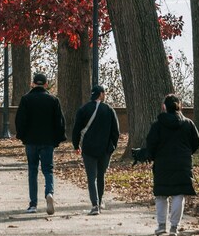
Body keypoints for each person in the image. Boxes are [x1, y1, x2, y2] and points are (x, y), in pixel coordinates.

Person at [146, 94, 199, 236]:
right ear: (179, 106)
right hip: (182, 162)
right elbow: (197, 142)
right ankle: (174, 227)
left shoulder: (157, 125)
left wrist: (153, 157)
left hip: (162, 163)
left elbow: (150, 144)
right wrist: (188, 153)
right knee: (178, 194)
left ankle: (161, 226)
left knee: (161, 195)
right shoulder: (188, 123)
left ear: (164, 106)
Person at [14, 73, 66, 215]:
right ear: (46, 84)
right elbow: (59, 122)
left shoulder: (26, 99)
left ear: (33, 84)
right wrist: (58, 139)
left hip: (31, 141)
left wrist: (22, 136)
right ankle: (49, 192)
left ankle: (33, 204)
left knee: (32, 171)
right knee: (48, 170)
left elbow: (20, 121)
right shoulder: (53, 100)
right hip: (48, 141)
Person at [72, 85, 120, 215]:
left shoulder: (84, 109)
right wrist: (112, 147)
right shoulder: (109, 110)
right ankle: (100, 202)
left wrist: (76, 146)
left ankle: (94, 205)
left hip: (88, 149)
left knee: (91, 177)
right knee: (101, 176)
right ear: (101, 94)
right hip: (105, 149)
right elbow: (116, 132)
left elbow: (76, 129)